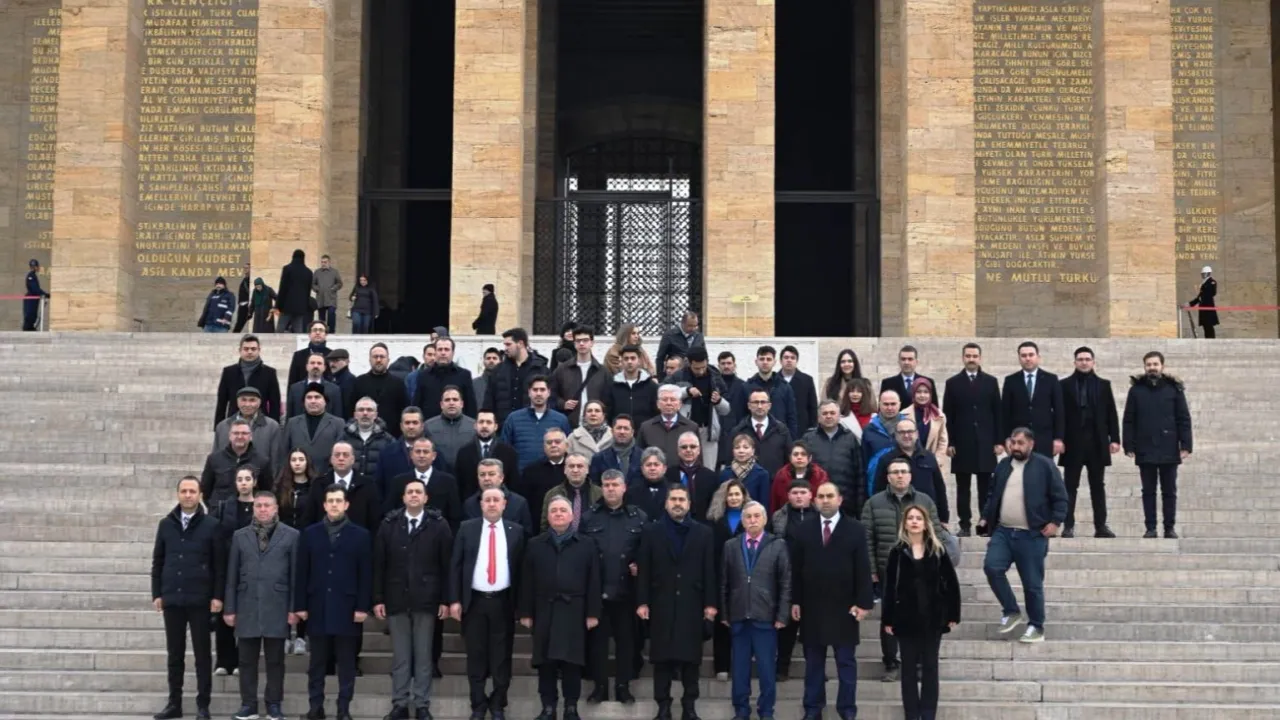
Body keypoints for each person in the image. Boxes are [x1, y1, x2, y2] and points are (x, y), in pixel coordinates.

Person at [792, 482, 875, 720]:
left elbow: (863, 569)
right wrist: (795, 601)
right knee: (813, 664)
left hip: (845, 608)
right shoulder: (804, 529)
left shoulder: (855, 529)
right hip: (812, 607)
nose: (825, 500)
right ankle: (812, 709)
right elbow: (796, 569)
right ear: (815, 500)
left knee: (846, 664)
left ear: (839, 500)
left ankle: (847, 710)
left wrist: (864, 603)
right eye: (821, 496)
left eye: (830, 496)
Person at [977, 428, 1068, 643]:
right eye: (1013, 443)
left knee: (1032, 584)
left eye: (1020, 443)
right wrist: (985, 517)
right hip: (1003, 532)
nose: (1015, 447)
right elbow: (992, 494)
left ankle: (1036, 626)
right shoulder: (1003, 465)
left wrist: (1055, 522)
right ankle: (1011, 610)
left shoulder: (1045, 465)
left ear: (1031, 444)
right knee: (992, 567)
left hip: (1032, 535)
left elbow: (1061, 497)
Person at [374, 478, 454, 720]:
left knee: (423, 656)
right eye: (410, 492)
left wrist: (445, 599)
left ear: (426, 497)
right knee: (401, 656)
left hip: (427, 600)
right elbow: (379, 564)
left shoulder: (439, 525)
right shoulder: (389, 524)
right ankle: (399, 704)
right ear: (403, 497)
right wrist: (378, 598)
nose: (414, 495)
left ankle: (421, 704)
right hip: (396, 598)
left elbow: (447, 566)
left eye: (419, 491)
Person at [636, 484, 718, 720]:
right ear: (666, 503)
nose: (678, 503)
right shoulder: (651, 531)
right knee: (661, 659)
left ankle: (689, 707)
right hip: (661, 603)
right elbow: (644, 570)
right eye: (673, 499)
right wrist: (642, 602)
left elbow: (709, 570)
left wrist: (710, 604)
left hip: (692, 604)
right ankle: (663, 706)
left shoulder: (704, 533)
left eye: (682, 499)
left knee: (691, 660)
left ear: (689, 504)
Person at [862, 457, 947, 682]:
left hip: (921, 570)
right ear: (888, 477)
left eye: (903, 471)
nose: (900, 476)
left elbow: (936, 535)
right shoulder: (873, 503)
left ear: (910, 475)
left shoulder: (925, 501)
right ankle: (891, 662)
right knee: (890, 618)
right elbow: (867, 539)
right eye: (895, 472)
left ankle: (918, 663)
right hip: (888, 570)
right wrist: (871, 569)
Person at [518, 496, 602, 720]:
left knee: (571, 662)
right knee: (545, 663)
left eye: (563, 510)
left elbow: (594, 580)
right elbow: (527, 580)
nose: (558, 514)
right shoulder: (535, 544)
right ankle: (548, 707)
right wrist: (525, 612)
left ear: (572, 516)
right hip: (544, 609)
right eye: (554, 510)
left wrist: (593, 612)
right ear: (548, 516)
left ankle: (571, 707)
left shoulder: (586, 544)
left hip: (574, 610)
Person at [448, 487, 527, 720]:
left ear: (504, 504)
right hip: (475, 602)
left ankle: (498, 702)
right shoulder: (467, 528)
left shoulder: (516, 531)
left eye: (496, 500)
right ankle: (478, 704)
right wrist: (454, 599)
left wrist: (522, 606)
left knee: (501, 655)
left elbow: (522, 570)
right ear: (481, 504)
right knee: (476, 654)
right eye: (487, 500)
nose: (492, 504)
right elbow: (456, 566)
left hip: (503, 601)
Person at [295, 484, 373, 720]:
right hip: (317, 605)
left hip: (347, 607)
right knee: (317, 663)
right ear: (324, 505)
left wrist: (363, 606)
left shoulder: (361, 535)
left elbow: (365, 574)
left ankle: (343, 709)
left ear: (346, 504)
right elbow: (302, 572)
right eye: (330, 501)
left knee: (347, 663)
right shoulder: (310, 533)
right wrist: (300, 605)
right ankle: (315, 707)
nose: (334, 505)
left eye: (339, 500)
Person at [151, 476, 224, 720]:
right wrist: (157, 593)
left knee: (202, 655)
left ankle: (203, 705)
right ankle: (174, 703)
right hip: (173, 598)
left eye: (192, 491)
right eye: (184, 491)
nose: (188, 495)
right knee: (175, 654)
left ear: (200, 495)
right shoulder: (166, 524)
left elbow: (219, 565)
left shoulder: (211, 525)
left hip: (200, 599)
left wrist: (217, 596)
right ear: (178, 494)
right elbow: (158, 561)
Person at [224, 491, 300, 720]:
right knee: (246, 660)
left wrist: (294, 608)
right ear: (253, 508)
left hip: (277, 605)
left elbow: (295, 576)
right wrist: (230, 608)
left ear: (276, 508)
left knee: (275, 661)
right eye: (259, 506)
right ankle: (248, 704)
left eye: (267, 505)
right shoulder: (240, 536)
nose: (263, 509)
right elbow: (231, 575)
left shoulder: (292, 536)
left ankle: (274, 704)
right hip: (247, 605)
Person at [881, 503, 961, 720]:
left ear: (926, 524)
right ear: (904, 523)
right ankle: (911, 714)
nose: (914, 522)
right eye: (910, 518)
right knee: (907, 669)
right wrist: (888, 619)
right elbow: (889, 587)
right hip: (905, 619)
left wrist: (953, 614)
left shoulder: (937, 550)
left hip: (932, 618)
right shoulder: (897, 552)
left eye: (918, 518)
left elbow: (951, 584)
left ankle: (928, 714)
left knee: (930, 667)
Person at [579, 470, 647, 704]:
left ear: (624, 487)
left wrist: (640, 564)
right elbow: (581, 553)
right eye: (606, 485)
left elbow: (647, 550)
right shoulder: (589, 517)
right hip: (597, 592)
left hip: (627, 592)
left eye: (615, 485)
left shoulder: (638, 517)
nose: (610, 489)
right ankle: (599, 687)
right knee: (597, 644)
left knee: (626, 643)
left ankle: (623, 686)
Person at [720, 500, 790, 720]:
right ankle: (741, 710)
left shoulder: (777, 544)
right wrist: (725, 613)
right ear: (742, 521)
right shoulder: (731, 546)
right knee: (740, 670)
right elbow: (723, 582)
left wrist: (782, 615)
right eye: (748, 517)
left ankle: (766, 711)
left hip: (765, 616)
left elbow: (785, 582)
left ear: (765, 519)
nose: (752, 520)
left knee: (767, 669)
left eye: (757, 516)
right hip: (739, 615)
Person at [1123, 351, 1193, 539]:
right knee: (1148, 491)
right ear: (1144, 367)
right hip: (1145, 447)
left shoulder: (1174, 389)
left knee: (1169, 491)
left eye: (1155, 364)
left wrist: (1186, 445)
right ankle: (1151, 528)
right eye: (1149, 365)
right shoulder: (1136, 391)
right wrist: (1129, 445)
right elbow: (1129, 420)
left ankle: (1169, 528)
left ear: (1162, 366)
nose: (1152, 368)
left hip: (1169, 447)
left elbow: (1183, 418)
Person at [1058, 347, 1120, 538]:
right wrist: (1058, 438)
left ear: (1093, 362)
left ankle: (1100, 526)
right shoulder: (1064, 385)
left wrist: (1115, 439)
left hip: (1097, 443)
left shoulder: (1104, 385)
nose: (1084, 362)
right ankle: (1068, 526)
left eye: (1087, 359)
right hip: (1072, 443)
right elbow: (1059, 415)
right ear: (1074, 362)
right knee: (1069, 486)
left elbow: (1111, 413)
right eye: (1080, 359)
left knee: (1097, 486)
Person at [943, 342, 1003, 537]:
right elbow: (948, 415)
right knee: (963, 488)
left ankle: (985, 523)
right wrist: (950, 442)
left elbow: (997, 412)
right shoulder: (952, 383)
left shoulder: (991, 382)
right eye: (968, 356)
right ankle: (965, 524)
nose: (971, 359)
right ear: (963, 358)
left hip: (986, 443)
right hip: (962, 443)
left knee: (986, 488)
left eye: (975, 356)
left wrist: (999, 441)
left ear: (980, 358)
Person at [214, 468, 258, 676]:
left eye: (247, 479)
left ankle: (242, 660)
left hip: (252, 566)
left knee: (247, 614)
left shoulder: (261, 506)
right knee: (225, 613)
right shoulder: (226, 506)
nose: (244, 483)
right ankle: (224, 660)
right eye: (240, 479)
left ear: (254, 482)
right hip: (228, 565)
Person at [767, 481, 812, 681]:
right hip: (785, 576)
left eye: (803, 492)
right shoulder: (778, 516)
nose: (799, 496)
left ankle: (815, 668)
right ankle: (782, 667)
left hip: (812, 577)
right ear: (788, 496)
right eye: (795, 492)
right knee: (786, 627)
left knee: (812, 628)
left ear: (810, 495)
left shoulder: (819, 517)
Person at [705, 478, 749, 681]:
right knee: (721, 623)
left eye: (737, 494)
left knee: (743, 623)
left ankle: (740, 665)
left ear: (744, 496)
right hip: (719, 577)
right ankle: (721, 666)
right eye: (730, 494)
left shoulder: (751, 519)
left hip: (744, 578)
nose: (733, 498)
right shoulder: (714, 521)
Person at [868, 420, 949, 520]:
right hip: (896, 516)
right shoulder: (886, 460)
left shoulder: (929, 457)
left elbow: (939, 488)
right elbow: (878, 490)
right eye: (902, 432)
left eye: (910, 431)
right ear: (896, 435)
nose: (906, 435)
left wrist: (944, 518)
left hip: (927, 515)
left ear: (917, 434)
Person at [666, 347, 732, 467]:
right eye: (697, 368)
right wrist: (686, 391)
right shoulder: (679, 376)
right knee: (684, 466)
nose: (701, 371)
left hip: (708, 431)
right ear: (689, 363)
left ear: (707, 361)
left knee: (708, 469)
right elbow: (665, 393)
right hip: (685, 429)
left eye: (703, 367)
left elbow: (726, 410)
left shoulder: (715, 376)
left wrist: (718, 401)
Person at [802, 400, 866, 517]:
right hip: (815, 504)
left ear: (839, 416)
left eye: (832, 413)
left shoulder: (850, 438)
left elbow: (859, 474)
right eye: (825, 413)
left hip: (846, 504)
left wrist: (859, 505)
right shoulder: (808, 438)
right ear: (818, 417)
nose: (828, 416)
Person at [1001, 341, 1064, 458]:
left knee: (1043, 469)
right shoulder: (1010, 380)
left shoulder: (1051, 379)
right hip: (1018, 441)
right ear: (1019, 358)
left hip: (1044, 439)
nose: (1027, 358)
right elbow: (1005, 412)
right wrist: (1007, 437)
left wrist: (1058, 438)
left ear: (1038, 357)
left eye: (1031, 355)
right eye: (1023, 355)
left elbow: (1059, 410)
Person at [385, 437, 463, 531]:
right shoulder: (399, 481)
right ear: (411, 455)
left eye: (426, 452)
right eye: (418, 452)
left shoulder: (448, 481)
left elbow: (455, 515)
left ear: (434, 456)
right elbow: (390, 512)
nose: (421, 455)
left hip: (438, 534)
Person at [307, 441, 383, 532]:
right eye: (337, 455)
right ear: (331, 459)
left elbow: (375, 520)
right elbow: (309, 517)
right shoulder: (319, 484)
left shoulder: (367, 485)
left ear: (353, 459)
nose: (341, 458)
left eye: (345, 455)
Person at [500, 377, 571, 472]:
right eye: (535, 390)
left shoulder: (561, 420)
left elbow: (567, 449)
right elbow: (505, 450)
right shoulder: (513, 419)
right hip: (520, 476)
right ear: (529, 392)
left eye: (542, 390)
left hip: (552, 475)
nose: (538, 393)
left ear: (549, 392)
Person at [275, 384, 346, 478]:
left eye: (317, 397)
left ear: (325, 401)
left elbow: (340, 453)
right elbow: (284, 452)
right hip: (298, 478)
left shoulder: (338, 423)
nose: (313, 401)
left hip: (326, 477)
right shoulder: (292, 423)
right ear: (304, 402)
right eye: (309, 397)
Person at [483, 328, 550, 424]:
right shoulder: (498, 370)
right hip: (504, 425)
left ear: (520, 344)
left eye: (508, 344)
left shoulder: (540, 369)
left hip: (531, 424)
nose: (505, 348)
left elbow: (550, 399)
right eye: (505, 345)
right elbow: (489, 400)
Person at [200, 418, 271, 507]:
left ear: (251, 436)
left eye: (244, 433)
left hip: (249, 512)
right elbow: (205, 490)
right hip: (219, 512)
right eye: (236, 433)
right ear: (230, 436)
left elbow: (266, 492)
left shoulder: (262, 461)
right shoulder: (214, 459)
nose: (240, 436)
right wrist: (215, 508)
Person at [455, 410, 521, 503]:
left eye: (489, 422)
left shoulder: (509, 452)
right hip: (472, 505)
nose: (484, 426)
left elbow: (513, 484)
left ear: (495, 426)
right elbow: (459, 484)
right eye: (481, 422)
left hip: (500, 504)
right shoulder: (464, 452)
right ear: (475, 425)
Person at [215, 335, 283, 425]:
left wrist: (274, 426)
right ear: (240, 350)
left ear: (259, 350)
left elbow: (275, 403)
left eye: (253, 349)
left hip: (261, 422)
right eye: (246, 349)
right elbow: (221, 402)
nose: (250, 352)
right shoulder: (229, 372)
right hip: (234, 422)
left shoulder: (269, 373)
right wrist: (218, 427)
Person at [727, 390, 792, 479]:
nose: (759, 406)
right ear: (749, 406)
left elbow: (789, 459)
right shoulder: (738, 431)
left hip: (775, 482)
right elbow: (729, 460)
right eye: (755, 402)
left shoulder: (781, 430)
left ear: (769, 405)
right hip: (746, 483)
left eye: (763, 402)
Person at [413, 338, 479, 420]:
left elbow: (470, 406)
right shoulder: (423, 375)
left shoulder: (464, 375)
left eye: (446, 349)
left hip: (457, 424)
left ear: (453, 353)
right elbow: (417, 404)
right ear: (435, 352)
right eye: (440, 349)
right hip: (429, 425)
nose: (443, 353)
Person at [463, 459, 535, 533]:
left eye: (491, 474)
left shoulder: (519, 503)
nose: (486, 478)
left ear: (501, 477)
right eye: (482, 475)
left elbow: (526, 534)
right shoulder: (470, 504)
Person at [351, 344, 409, 433]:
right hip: (364, 433)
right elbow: (351, 410)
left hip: (392, 434)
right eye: (375, 357)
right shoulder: (359, 382)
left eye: (382, 357)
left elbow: (404, 410)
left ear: (388, 360)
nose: (378, 360)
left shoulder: (398, 383)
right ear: (370, 360)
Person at [639, 384, 699, 468]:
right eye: (664, 399)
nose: (668, 403)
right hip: (654, 474)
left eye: (673, 400)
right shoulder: (646, 427)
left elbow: (698, 459)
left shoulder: (691, 427)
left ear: (680, 404)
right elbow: (639, 458)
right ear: (658, 404)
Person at [663, 431, 718, 522]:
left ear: (699, 450)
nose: (688, 450)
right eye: (684, 447)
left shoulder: (711, 477)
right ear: (678, 451)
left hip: (702, 525)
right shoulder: (668, 474)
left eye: (693, 447)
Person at [744, 346, 798, 437]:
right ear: (756, 362)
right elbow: (741, 416)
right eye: (762, 359)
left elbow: (791, 418)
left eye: (769, 359)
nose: (765, 362)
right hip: (753, 438)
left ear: (774, 362)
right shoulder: (746, 387)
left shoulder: (785, 387)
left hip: (779, 437)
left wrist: (791, 441)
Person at [539, 452, 601, 531]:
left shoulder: (600, 494)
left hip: (591, 537)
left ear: (587, 470)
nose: (575, 470)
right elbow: (545, 526)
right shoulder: (552, 494)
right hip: (561, 538)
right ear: (565, 470)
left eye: (580, 466)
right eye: (571, 466)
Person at [603, 345, 660, 427]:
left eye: (633, 358)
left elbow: (657, 413)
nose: (629, 362)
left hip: (645, 432)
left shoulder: (652, 386)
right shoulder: (612, 386)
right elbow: (607, 413)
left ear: (639, 361)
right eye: (626, 359)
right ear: (621, 361)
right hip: (620, 431)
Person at [213, 386, 281, 455]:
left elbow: (276, 457)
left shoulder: (272, 427)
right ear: (237, 402)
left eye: (252, 400)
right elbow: (215, 456)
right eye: (243, 400)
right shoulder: (223, 426)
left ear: (259, 402)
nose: (247, 404)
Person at [768, 441, 828, 514]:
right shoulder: (781, 476)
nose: (799, 457)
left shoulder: (820, 476)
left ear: (810, 458)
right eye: (795, 454)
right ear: (790, 458)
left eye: (803, 454)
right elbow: (774, 502)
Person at [425, 386, 477, 469]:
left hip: (466, 473)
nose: (451, 403)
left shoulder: (474, 426)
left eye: (455, 399)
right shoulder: (428, 426)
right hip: (439, 473)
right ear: (441, 405)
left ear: (462, 404)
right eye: (447, 400)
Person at [718, 433, 771, 511]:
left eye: (746, 447)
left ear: (753, 451)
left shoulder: (762, 474)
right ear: (733, 451)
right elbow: (720, 501)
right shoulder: (725, 474)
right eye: (737, 447)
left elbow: (764, 504)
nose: (741, 451)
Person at [860, 390, 905, 478]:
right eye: (886, 404)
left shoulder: (908, 428)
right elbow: (863, 460)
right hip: (875, 479)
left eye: (893, 404)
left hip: (902, 478)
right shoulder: (869, 429)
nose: (889, 408)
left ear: (899, 404)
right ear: (879, 405)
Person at [589, 414, 643, 485]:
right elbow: (595, 486)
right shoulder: (599, 458)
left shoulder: (643, 457)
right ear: (612, 431)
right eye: (619, 428)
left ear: (632, 432)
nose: (622, 432)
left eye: (626, 428)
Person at [287, 353, 344, 418]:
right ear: (306, 366)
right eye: (312, 363)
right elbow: (290, 417)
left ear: (324, 367)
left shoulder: (334, 390)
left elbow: (338, 416)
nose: (315, 366)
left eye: (319, 363)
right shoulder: (295, 389)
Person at [778, 345, 819, 434]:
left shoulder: (807, 380)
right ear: (780, 361)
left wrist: (813, 429)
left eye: (793, 358)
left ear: (797, 361)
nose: (789, 360)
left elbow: (813, 407)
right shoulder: (773, 380)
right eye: (786, 357)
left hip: (801, 430)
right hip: (778, 430)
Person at [622, 447, 671, 521]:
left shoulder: (673, 491)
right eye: (648, 465)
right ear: (642, 469)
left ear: (664, 468)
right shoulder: (631, 492)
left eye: (656, 465)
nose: (652, 468)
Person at [907, 378, 948, 464]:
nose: (922, 395)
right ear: (913, 393)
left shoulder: (938, 415)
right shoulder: (904, 414)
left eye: (926, 392)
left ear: (930, 394)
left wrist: (937, 460)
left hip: (932, 462)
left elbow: (943, 440)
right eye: (918, 392)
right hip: (910, 461)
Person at [276, 249, 314, 334]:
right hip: (300, 306)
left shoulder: (287, 269)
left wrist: (278, 305)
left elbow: (283, 288)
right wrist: (305, 306)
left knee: (280, 329)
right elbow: (308, 292)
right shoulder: (308, 272)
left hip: (286, 305)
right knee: (298, 330)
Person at [288, 321, 332, 389]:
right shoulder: (298, 355)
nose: (318, 333)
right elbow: (292, 381)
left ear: (326, 335)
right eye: (314, 330)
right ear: (309, 334)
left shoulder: (332, 355)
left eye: (321, 330)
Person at [312, 255, 344, 333]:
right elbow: (313, 284)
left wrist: (333, 288)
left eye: (325, 262)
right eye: (322, 262)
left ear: (329, 262)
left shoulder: (334, 272)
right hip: (321, 298)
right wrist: (317, 289)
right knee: (321, 318)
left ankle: (332, 331)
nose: (323, 264)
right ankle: (323, 331)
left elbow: (339, 283)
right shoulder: (317, 272)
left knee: (331, 314)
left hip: (331, 298)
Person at [1188, 265, 1219, 338]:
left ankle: (1211, 342)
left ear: (1207, 273)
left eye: (1203, 273)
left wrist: (1201, 297)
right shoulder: (1204, 283)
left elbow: (1212, 293)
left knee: (1209, 327)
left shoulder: (1212, 282)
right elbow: (1199, 297)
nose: (1202, 275)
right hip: (1203, 309)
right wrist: (1190, 304)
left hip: (1208, 308)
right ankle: (1207, 342)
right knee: (1206, 327)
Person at [22, 258, 50, 331]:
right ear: (35, 267)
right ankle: (28, 329)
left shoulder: (33, 275)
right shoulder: (31, 276)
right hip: (31, 299)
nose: (38, 268)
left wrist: (44, 294)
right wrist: (45, 294)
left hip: (33, 299)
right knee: (30, 315)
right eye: (37, 266)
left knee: (33, 315)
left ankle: (30, 328)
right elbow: (35, 289)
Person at [234, 263, 253, 333]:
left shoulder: (250, 280)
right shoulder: (245, 279)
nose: (245, 269)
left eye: (247, 268)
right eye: (244, 268)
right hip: (242, 305)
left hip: (247, 305)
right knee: (239, 323)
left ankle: (234, 336)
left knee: (239, 324)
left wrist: (249, 303)